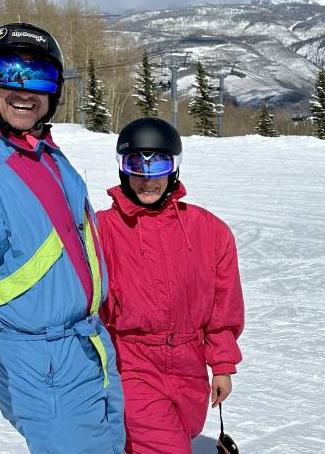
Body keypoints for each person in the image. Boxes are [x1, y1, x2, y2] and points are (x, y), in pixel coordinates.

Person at [0, 23, 125, 453]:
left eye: (38, 77)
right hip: (44, 361)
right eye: (9, 73)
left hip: (87, 349)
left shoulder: (37, 148)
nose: (24, 91)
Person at [98, 117, 244, 454]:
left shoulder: (209, 232)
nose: (148, 178)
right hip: (132, 363)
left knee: (183, 433)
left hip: (189, 363)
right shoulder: (101, 230)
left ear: (174, 168)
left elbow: (223, 308)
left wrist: (221, 365)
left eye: (159, 164)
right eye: (136, 164)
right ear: (122, 167)